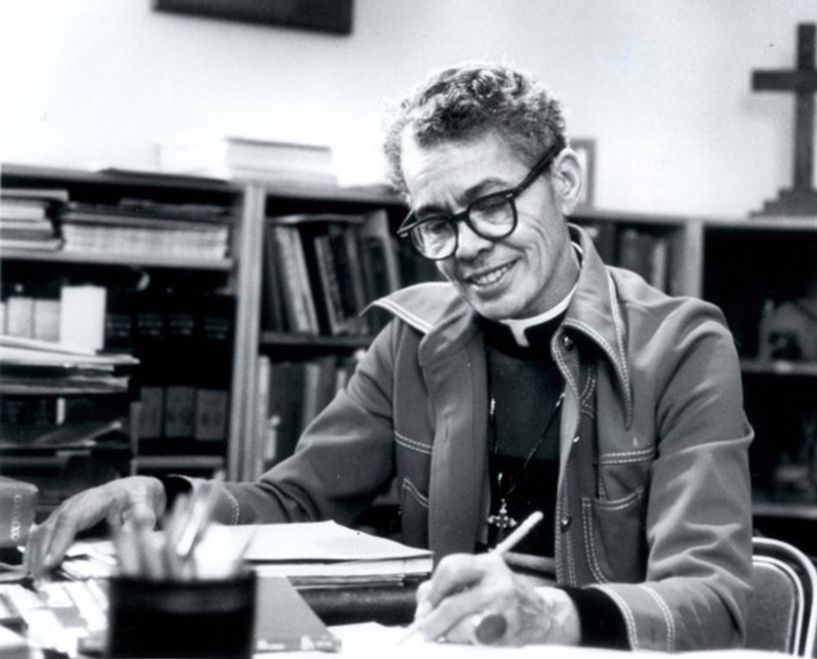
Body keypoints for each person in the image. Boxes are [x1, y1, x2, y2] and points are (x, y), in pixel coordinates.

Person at [26, 62, 753, 651]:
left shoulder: (682, 346)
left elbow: (714, 601)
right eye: (436, 222)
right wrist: (167, 497)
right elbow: (299, 501)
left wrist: (549, 615)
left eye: (493, 203)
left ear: (563, 181)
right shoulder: (410, 338)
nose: (467, 247)